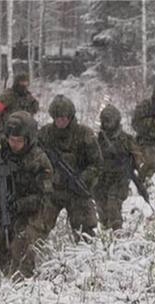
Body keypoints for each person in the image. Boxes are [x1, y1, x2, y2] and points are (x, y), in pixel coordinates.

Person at [0, 111, 53, 278]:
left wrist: (20, 204)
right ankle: (7, 274)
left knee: (22, 243)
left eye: (19, 141)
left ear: (29, 139)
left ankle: (22, 281)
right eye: (11, 139)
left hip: (28, 210)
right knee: (1, 240)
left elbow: (44, 197)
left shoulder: (38, 160)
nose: (14, 144)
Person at [37, 95, 102, 239]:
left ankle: (86, 257)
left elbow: (96, 164)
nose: (61, 121)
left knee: (86, 233)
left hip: (77, 190)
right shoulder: (44, 134)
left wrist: (83, 178)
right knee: (37, 226)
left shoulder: (84, 134)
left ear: (71, 116)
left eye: (65, 117)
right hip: (52, 190)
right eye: (58, 118)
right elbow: (34, 158)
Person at [94, 104, 141, 230]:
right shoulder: (97, 139)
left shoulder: (126, 139)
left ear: (117, 120)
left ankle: (117, 232)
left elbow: (138, 158)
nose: (107, 123)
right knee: (101, 206)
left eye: (109, 120)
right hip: (102, 178)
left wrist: (131, 163)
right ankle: (106, 233)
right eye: (104, 120)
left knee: (113, 204)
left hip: (119, 178)